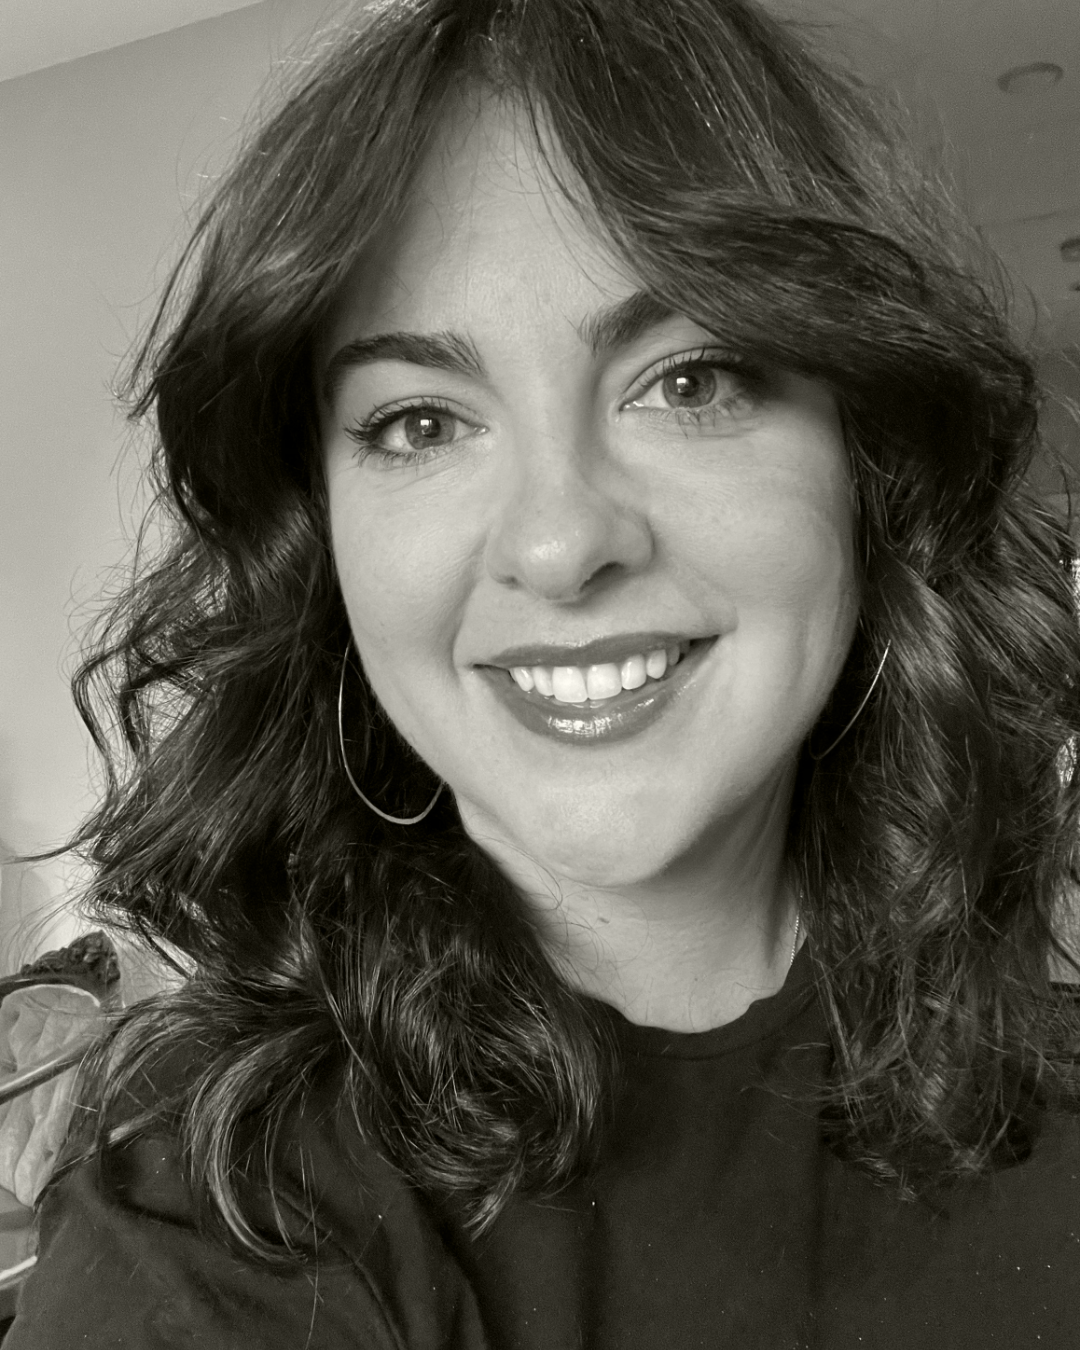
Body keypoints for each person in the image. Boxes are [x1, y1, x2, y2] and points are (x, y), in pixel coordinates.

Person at [8, 0, 1080, 1345]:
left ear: (868, 467)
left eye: (691, 380)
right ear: (324, 547)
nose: (561, 543)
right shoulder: (206, 1245)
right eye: (420, 421)